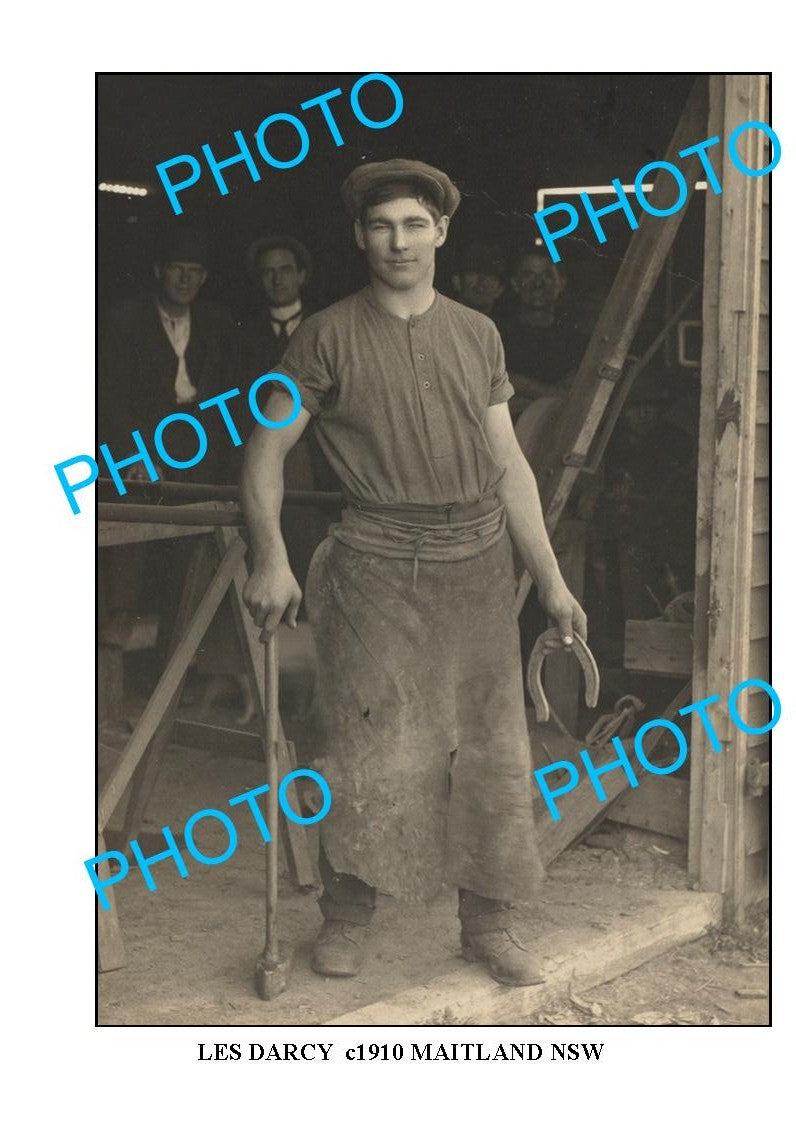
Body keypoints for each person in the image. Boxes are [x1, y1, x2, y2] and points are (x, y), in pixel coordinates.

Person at [240, 158, 587, 987]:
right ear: (361, 237)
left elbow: (510, 466)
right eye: (382, 226)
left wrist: (551, 581)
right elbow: (264, 451)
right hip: (374, 565)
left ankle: (488, 926)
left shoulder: (479, 334)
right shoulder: (322, 335)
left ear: (441, 232)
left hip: (475, 565)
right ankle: (348, 917)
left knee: (492, 752)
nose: (399, 241)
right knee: (367, 744)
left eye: (414, 225)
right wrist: (272, 555)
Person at [99, 227, 237, 649]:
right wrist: (136, 453)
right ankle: (111, 669)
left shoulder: (215, 320)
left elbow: (224, 398)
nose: (185, 280)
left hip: (193, 449)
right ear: (158, 271)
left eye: (195, 272)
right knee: (126, 551)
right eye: (177, 269)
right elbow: (108, 396)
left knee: (196, 554)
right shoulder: (124, 319)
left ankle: (186, 667)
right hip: (135, 449)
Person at [495, 250, 589, 408]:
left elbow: (578, 397)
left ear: (561, 284)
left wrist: (522, 388)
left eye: (547, 275)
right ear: (515, 284)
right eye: (528, 275)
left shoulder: (577, 341)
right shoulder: (496, 335)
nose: (538, 284)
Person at [450, 240, 507, 318]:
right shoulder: (439, 322)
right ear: (457, 281)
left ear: (500, 289)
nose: (481, 282)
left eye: (490, 275)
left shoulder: (508, 329)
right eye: (473, 273)